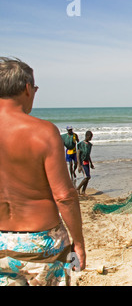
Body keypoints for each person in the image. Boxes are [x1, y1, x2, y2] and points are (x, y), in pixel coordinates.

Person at [0, 57, 85, 286]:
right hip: (40, 242)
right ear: (27, 88)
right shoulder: (42, 132)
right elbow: (64, 196)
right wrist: (78, 242)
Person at [76, 131, 94, 195]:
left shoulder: (89, 145)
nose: (91, 138)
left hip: (87, 162)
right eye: (91, 137)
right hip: (82, 162)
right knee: (86, 177)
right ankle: (78, 188)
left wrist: (91, 163)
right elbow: (78, 155)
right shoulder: (81, 144)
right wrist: (79, 165)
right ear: (88, 136)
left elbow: (88, 155)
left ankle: (83, 191)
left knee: (88, 177)